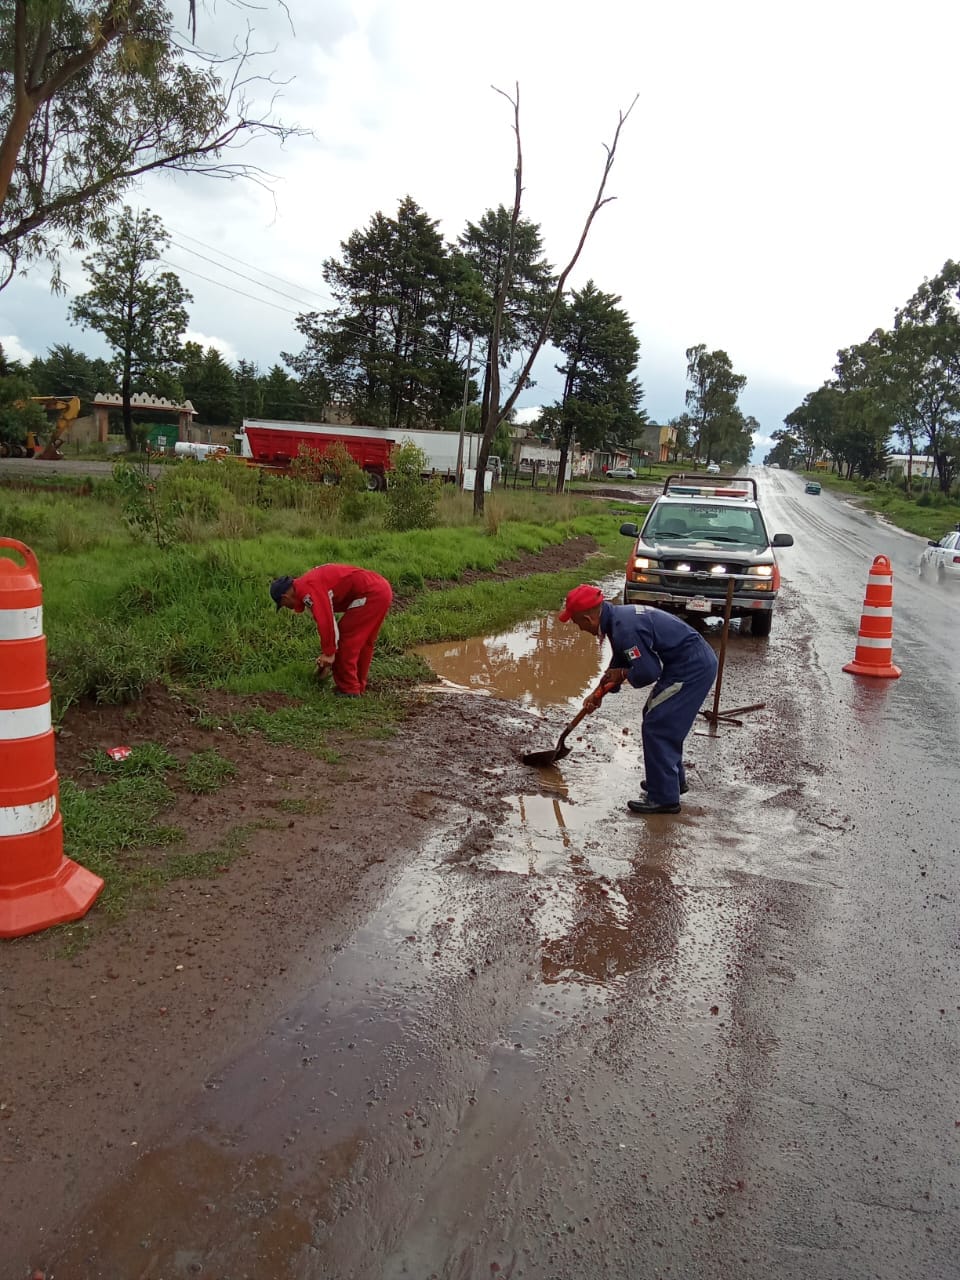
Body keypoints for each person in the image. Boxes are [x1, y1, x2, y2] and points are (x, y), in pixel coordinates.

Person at [558, 584, 718, 816]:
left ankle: (664, 798)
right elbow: (622, 659)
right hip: (687, 663)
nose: (578, 628)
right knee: (657, 717)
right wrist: (600, 690)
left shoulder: (625, 629)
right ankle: (671, 782)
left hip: (691, 668)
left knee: (658, 724)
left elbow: (647, 672)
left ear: (588, 618)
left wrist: (622, 675)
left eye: (576, 622)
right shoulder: (616, 620)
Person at [270, 564, 393, 697]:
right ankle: (357, 685)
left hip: (371, 593)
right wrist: (328, 655)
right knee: (363, 642)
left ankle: (349, 689)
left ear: (285, 597)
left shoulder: (307, 589)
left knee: (346, 638)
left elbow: (326, 620)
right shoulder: (306, 584)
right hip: (380, 589)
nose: (288, 607)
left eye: (283, 605)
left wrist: (329, 653)